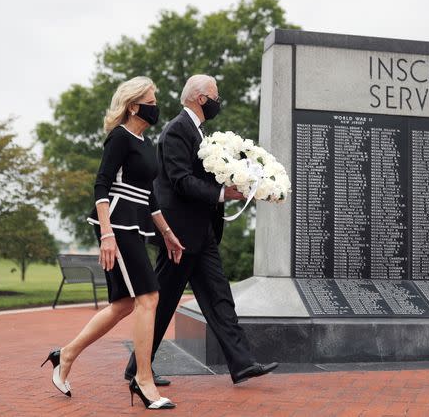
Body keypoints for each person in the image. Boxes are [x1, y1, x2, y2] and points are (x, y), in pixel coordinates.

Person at [124, 74, 278, 384]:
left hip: (202, 234)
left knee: (220, 298)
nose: (219, 101)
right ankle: (136, 368)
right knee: (164, 302)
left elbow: (202, 177)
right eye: (216, 95)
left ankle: (242, 363)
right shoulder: (176, 131)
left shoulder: (198, 132)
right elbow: (181, 181)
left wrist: (237, 180)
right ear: (201, 98)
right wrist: (225, 193)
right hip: (178, 236)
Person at [42, 76, 184, 410]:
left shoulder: (145, 142)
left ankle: (66, 354)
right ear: (134, 105)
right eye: (152, 99)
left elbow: (149, 198)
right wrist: (106, 235)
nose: (156, 105)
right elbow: (101, 184)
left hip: (134, 225)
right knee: (149, 296)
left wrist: (167, 233)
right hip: (116, 224)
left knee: (123, 304)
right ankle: (143, 379)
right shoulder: (119, 138)